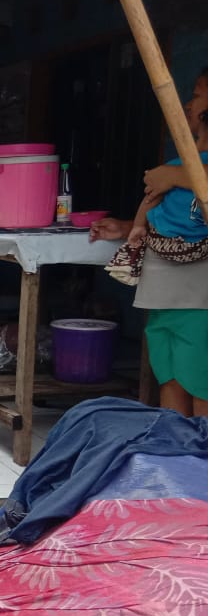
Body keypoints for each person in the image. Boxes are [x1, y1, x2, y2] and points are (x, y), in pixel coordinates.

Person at [90, 68, 208, 417]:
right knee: (169, 378)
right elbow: (170, 226)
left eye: (198, 93)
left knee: (200, 381)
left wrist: (176, 176)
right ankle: (177, 456)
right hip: (162, 298)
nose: (187, 104)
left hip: (198, 302)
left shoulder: (178, 172)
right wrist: (126, 227)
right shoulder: (174, 167)